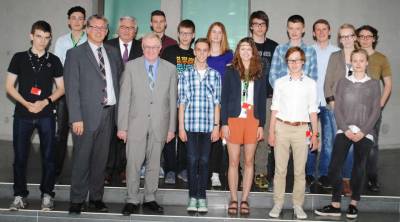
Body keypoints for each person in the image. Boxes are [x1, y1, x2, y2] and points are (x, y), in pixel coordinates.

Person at [64, 15, 123, 214]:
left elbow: (118, 83)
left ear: (107, 31)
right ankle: (77, 199)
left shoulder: (113, 53)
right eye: (95, 27)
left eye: (103, 28)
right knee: (82, 158)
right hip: (85, 117)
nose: (99, 30)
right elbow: (71, 89)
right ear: (87, 29)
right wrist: (75, 118)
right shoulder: (75, 54)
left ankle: (96, 198)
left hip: (109, 113)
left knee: (101, 159)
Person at [315, 49, 381, 219]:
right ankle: (335, 204)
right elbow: (338, 109)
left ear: (367, 63)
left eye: (361, 60)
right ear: (351, 63)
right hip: (344, 129)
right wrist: (345, 129)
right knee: (334, 167)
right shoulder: (343, 82)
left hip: (365, 133)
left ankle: (353, 204)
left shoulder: (374, 84)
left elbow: (375, 111)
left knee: (359, 168)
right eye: (355, 60)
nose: (358, 63)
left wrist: (363, 131)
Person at [6, 20, 64, 211]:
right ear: (31, 36)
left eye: (47, 38)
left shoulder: (54, 60)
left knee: (48, 157)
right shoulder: (19, 58)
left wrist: (44, 102)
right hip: (23, 114)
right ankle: (19, 196)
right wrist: (27, 103)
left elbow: (61, 88)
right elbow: (9, 87)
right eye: (39, 36)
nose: (43, 41)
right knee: (20, 157)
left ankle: (47, 195)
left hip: (46, 114)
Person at [118, 33, 177, 216]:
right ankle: (132, 199)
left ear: (160, 48)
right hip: (135, 124)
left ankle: (150, 197)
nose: (151, 50)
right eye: (147, 47)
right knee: (133, 164)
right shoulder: (130, 67)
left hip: (160, 124)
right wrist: (122, 126)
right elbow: (125, 99)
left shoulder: (171, 69)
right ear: (142, 48)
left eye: (154, 47)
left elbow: (172, 100)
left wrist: (171, 128)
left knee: (154, 164)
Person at [268, 47, 319, 220]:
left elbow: (313, 111)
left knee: (299, 171)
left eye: (297, 60)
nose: (294, 63)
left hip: (302, 129)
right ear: (287, 63)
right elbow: (274, 108)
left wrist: (315, 135)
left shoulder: (311, 84)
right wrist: (271, 132)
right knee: (280, 170)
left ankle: (298, 205)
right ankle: (278, 203)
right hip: (281, 127)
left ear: (303, 62)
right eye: (291, 60)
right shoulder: (280, 82)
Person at [221, 37, 266, 215]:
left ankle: (245, 199)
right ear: (238, 51)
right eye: (242, 48)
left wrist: (261, 124)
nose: (246, 52)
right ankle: (233, 198)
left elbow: (262, 101)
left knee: (248, 161)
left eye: (249, 49)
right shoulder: (231, 71)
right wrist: (224, 123)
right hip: (234, 119)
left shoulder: (259, 73)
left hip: (252, 120)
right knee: (233, 161)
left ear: (253, 52)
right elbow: (224, 99)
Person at [178, 38, 221, 212]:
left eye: (205, 50)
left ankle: (201, 197)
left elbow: (217, 103)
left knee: (204, 161)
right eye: (199, 50)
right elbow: (181, 102)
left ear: (209, 52)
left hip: (207, 126)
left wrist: (216, 126)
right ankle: (192, 197)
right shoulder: (185, 74)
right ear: (194, 52)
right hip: (190, 125)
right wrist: (181, 126)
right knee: (192, 159)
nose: (202, 53)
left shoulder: (215, 75)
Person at [104, 16, 143, 186]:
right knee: (110, 135)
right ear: (118, 29)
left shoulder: (141, 48)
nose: (127, 30)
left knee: (129, 136)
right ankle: (106, 170)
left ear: (135, 31)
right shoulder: (107, 46)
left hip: (133, 100)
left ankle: (124, 170)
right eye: (123, 27)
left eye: (130, 28)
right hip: (111, 98)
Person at [324, 23, 360, 196]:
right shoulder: (334, 56)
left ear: (354, 37)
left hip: (355, 110)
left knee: (351, 146)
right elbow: (327, 83)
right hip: (335, 107)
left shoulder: (361, 56)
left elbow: (368, 82)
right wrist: (332, 104)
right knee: (333, 145)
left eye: (349, 35)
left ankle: (346, 180)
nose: (346, 39)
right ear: (339, 39)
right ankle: (334, 179)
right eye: (342, 36)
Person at [356, 25, 392, 193]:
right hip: (352, 109)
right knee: (351, 144)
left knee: (371, 145)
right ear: (357, 38)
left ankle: (372, 178)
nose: (365, 39)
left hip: (372, 110)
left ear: (374, 38)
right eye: (361, 36)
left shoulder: (381, 58)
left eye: (368, 36)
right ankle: (354, 177)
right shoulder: (352, 56)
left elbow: (388, 85)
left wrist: (380, 105)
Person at [53, 5, 87, 180]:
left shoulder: (90, 40)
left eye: (80, 18)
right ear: (68, 21)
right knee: (61, 133)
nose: (77, 21)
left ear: (85, 21)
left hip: (84, 95)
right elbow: (57, 68)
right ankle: (56, 169)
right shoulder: (61, 41)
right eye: (73, 18)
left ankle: (80, 170)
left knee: (81, 134)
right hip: (64, 93)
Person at [161, 19, 196, 184]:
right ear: (178, 33)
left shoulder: (196, 54)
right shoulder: (168, 52)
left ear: (193, 35)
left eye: (188, 33)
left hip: (188, 104)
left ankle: (183, 169)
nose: (185, 36)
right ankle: (169, 170)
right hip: (169, 101)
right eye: (182, 33)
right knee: (169, 136)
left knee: (185, 137)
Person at [306, 19, 339, 190]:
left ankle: (325, 174)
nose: (321, 32)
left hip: (329, 102)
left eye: (324, 29)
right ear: (313, 33)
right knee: (309, 138)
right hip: (309, 102)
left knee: (328, 140)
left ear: (329, 31)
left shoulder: (337, 52)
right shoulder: (308, 50)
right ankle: (310, 173)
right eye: (317, 29)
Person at [248, 10, 278, 191]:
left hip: (268, 99)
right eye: (256, 24)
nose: (259, 27)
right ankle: (245, 169)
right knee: (246, 136)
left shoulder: (275, 47)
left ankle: (260, 172)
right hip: (247, 99)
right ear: (251, 26)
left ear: (266, 26)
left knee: (263, 137)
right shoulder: (245, 45)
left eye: (262, 24)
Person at [206, 22, 234, 187]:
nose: (216, 35)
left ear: (223, 35)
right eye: (213, 31)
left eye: (219, 32)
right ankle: (204, 171)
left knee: (217, 141)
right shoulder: (203, 53)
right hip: (204, 105)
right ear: (209, 34)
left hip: (222, 105)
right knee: (204, 141)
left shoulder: (229, 55)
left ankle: (215, 173)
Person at [269, 15, 317, 88]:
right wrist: (282, 90)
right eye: (291, 28)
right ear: (287, 29)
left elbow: (314, 76)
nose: (294, 32)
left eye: (297, 28)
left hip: (303, 94)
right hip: (283, 94)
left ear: (303, 29)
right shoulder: (279, 49)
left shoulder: (310, 50)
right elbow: (273, 74)